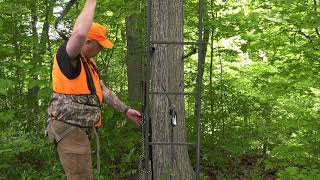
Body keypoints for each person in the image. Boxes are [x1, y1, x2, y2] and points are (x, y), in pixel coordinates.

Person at [46, 0, 142, 179]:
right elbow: (79, 33)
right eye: (99, 45)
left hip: (79, 130)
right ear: (87, 42)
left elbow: (103, 91)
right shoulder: (69, 58)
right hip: (70, 130)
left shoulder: (89, 64)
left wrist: (126, 110)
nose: (100, 50)